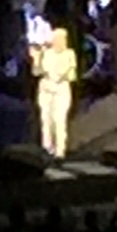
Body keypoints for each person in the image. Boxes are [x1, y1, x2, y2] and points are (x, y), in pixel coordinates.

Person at [32, 26, 79, 159]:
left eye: (61, 39)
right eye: (56, 38)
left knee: (59, 120)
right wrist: (36, 59)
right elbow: (36, 72)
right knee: (46, 120)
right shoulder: (46, 53)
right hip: (46, 90)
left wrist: (61, 75)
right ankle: (47, 148)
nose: (58, 41)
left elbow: (72, 76)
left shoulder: (69, 54)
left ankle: (60, 151)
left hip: (61, 90)